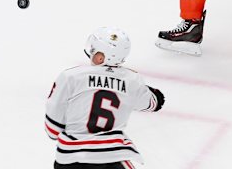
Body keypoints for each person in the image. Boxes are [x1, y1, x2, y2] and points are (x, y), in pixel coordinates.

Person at [45, 27, 165, 169]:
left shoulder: (70, 76)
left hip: (69, 159)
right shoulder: (132, 80)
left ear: (101, 57)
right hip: (111, 158)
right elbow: (154, 103)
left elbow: (52, 130)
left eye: (93, 50)